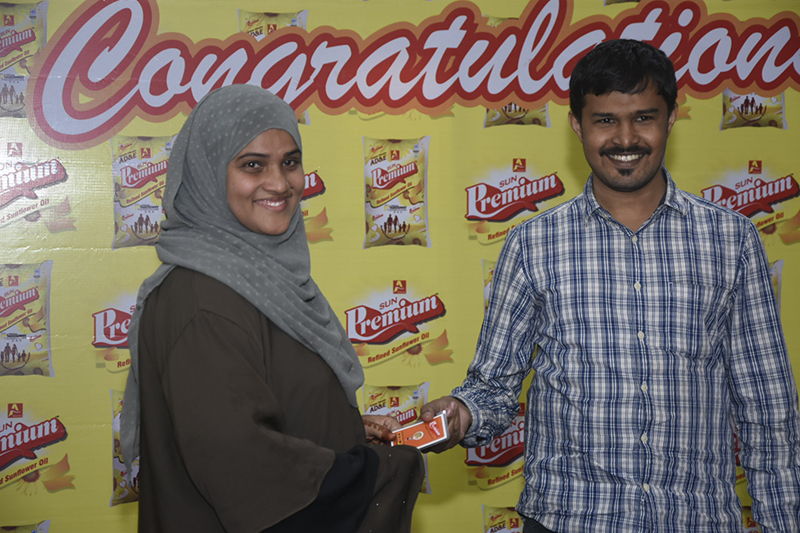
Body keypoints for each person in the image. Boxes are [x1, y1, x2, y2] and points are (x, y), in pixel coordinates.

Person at [421, 39, 800, 532]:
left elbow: (768, 410)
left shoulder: (732, 239)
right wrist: (461, 413)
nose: (625, 137)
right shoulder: (533, 244)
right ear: (577, 125)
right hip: (568, 518)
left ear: (671, 118)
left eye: (644, 118)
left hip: (694, 519)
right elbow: (493, 388)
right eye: (605, 120)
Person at [119, 84, 423, 532]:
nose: (280, 183)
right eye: (252, 165)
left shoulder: (262, 280)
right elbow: (244, 470)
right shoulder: (203, 301)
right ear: (207, 173)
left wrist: (340, 432)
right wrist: (380, 470)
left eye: (290, 162)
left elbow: (249, 409)